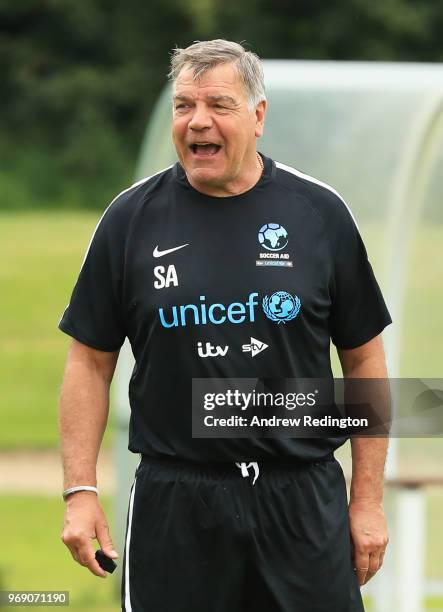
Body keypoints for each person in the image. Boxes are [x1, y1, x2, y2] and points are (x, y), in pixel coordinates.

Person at [59, 39, 391, 612]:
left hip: (302, 499)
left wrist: (366, 501)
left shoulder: (319, 214)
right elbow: (89, 362)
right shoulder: (129, 220)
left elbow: (364, 360)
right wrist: (80, 491)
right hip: (177, 502)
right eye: (184, 105)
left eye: (219, 104)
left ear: (258, 116)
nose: (198, 122)